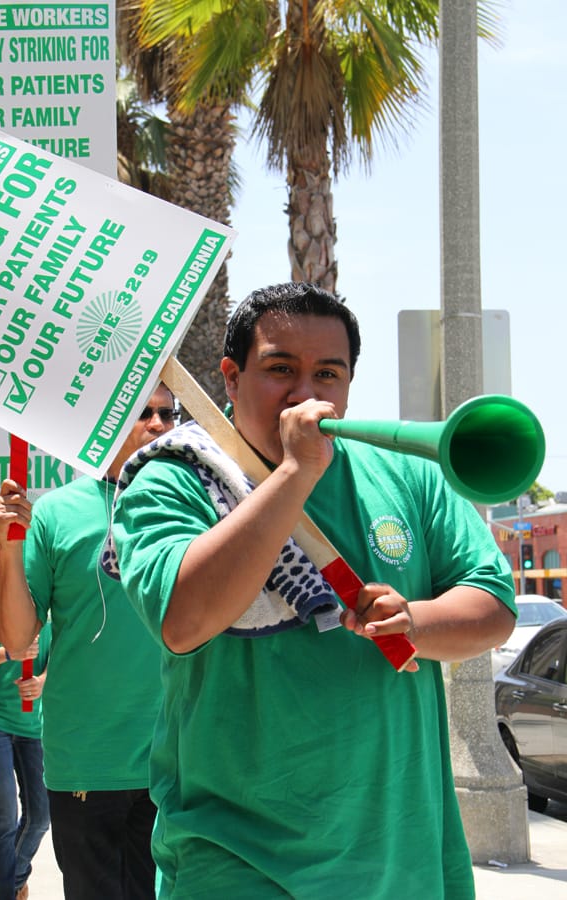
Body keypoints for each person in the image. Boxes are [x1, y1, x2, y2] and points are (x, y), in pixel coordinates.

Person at [108, 282, 517, 899]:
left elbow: (493, 605)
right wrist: (297, 473)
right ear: (230, 377)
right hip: (233, 866)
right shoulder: (173, 479)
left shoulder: (406, 473)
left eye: (328, 373)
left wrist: (415, 620)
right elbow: (183, 617)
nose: (305, 394)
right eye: (279, 369)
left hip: (398, 859)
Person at [0, 384, 178, 900]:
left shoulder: (197, 508)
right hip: (88, 764)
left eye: (168, 412)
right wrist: (10, 547)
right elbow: (16, 639)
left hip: (179, 763)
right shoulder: (57, 514)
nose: (159, 424)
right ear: (110, 423)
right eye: (144, 412)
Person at [0, 541, 51, 900]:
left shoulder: (45, 605)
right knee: (3, 816)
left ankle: (12, 880)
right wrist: (8, 653)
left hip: (32, 724)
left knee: (41, 816)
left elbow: (57, 654)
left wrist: (43, 681)